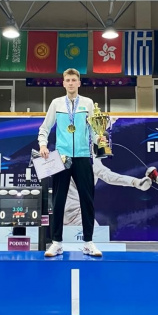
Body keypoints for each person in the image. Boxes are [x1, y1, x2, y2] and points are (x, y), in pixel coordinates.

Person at [38, 68, 103, 257]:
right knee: (58, 201)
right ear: (63, 83)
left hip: (83, 156)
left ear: (79, 83)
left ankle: (88, 242)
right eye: (68, 80)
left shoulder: (88, 103)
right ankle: (56, 243)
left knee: (87, 200)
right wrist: (43, 144)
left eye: (74, 80)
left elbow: (94, 130)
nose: (71, 83)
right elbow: (45, 127)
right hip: (62, 157)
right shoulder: (56, 103)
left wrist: (100, 140)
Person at [63, 157, 152, 226]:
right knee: (96, 239)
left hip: (63, 212)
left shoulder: (70, 155)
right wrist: (135, 182)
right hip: (76, 214)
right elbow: (109, 177)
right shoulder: (91, 160)